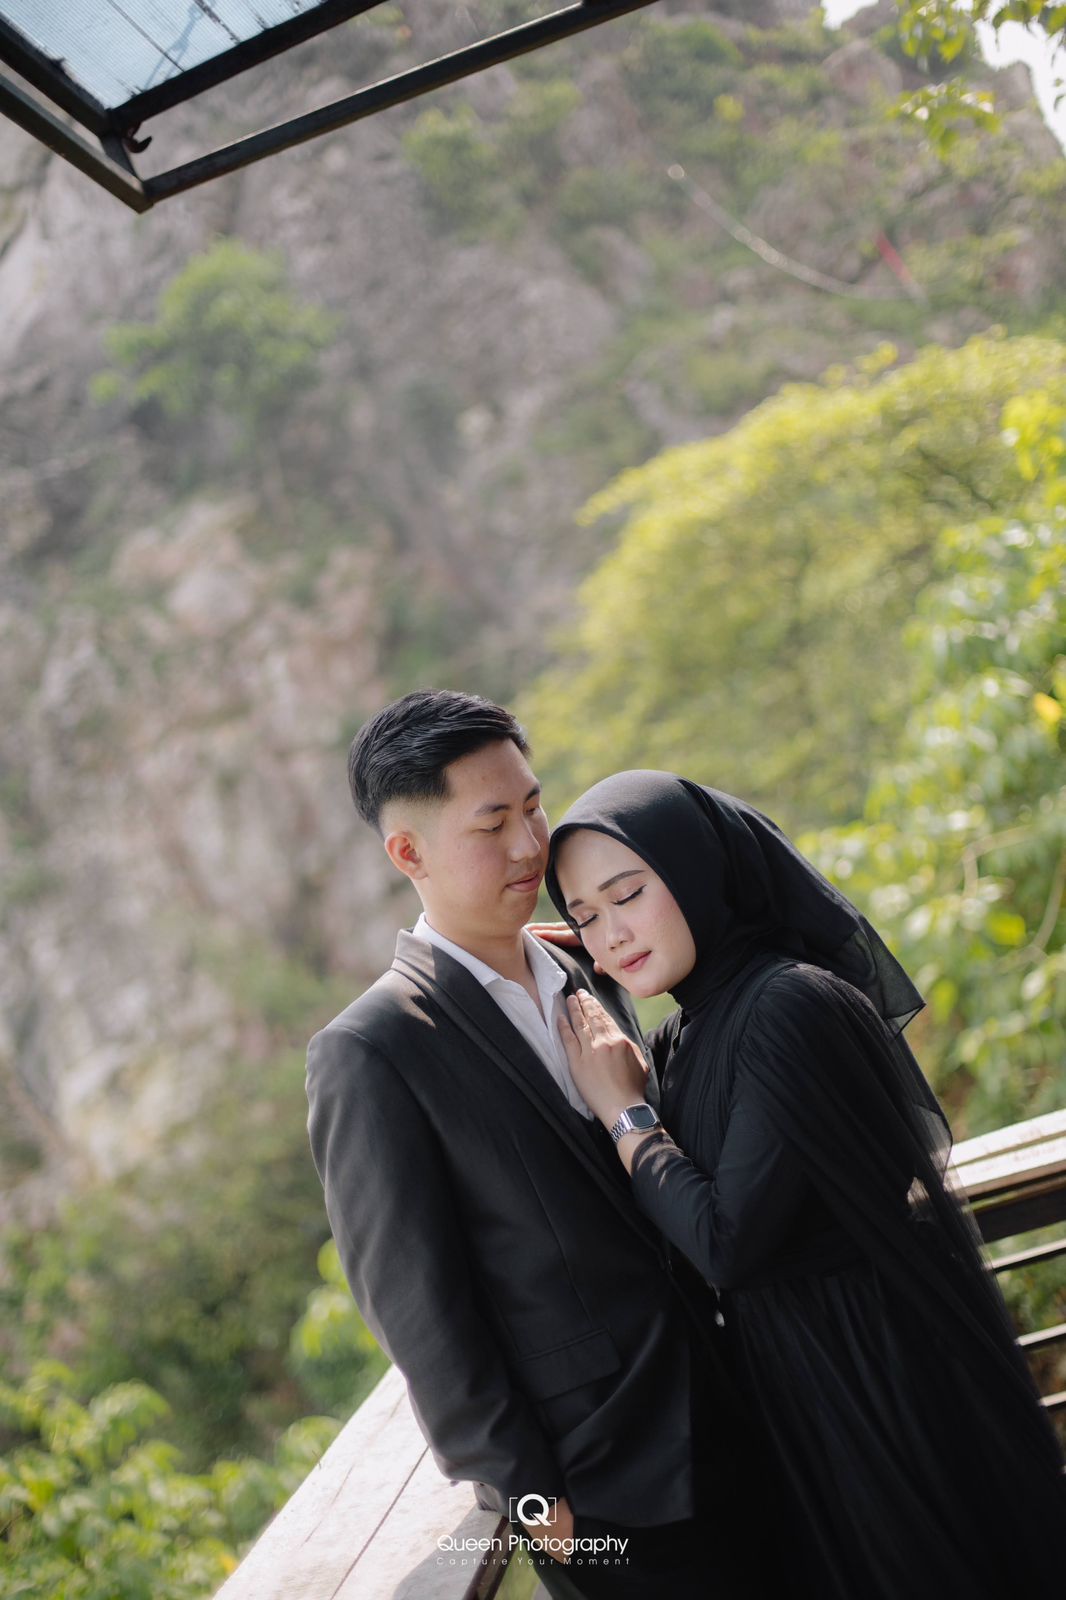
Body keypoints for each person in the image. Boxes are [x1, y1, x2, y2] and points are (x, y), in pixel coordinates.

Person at [543, 768, 1066, 1600]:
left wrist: (625, 1113)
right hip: (799, 1384)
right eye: (584, 917)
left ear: (698, 869)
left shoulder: (790, 1007)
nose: (611, 933)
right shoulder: (684, 1038)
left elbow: (726, 1241)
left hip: (878, 1379)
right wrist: (565, 979)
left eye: (628, 894)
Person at [305, 694, 783, 1600]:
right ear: (408, 853)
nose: (531, 846)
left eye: (533, 806)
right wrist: (532, 1499)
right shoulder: (372, 1050)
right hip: (604, 1489)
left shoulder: (591, 964)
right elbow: (417, 1306)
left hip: (742, 1411)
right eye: (492, 825)